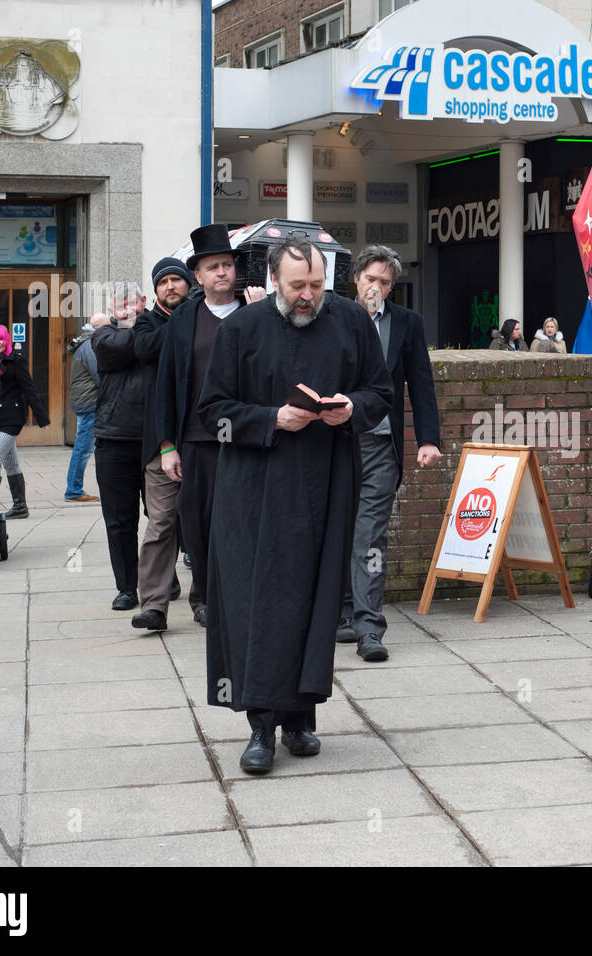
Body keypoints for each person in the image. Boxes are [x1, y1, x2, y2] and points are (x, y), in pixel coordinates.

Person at [198, 238, 391, 775]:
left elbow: (380, 392)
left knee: (315, 598)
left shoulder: (351, 321)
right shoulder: (241, 328)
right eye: (296, 286)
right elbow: (211, 413)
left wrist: (350, 408)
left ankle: (301, 716)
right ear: (272, 280)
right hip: (255, 488)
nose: (307, 297)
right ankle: (260, 722)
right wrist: (270, 420)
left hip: (327, 480)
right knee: (259, 601)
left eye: (316, 286)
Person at [153, 228, 266, 632]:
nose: (222, 272)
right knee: (195, 519)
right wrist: (168, 445)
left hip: (245, 437)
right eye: (212, 267)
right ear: (197, 277)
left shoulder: (257, 312)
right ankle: (202, 595)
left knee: (240, 520)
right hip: (197, 437)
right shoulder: (184, 318)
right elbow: (166, 381)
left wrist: (266, 315)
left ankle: (237, 595)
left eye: (227, 265)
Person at [337, 245, 441, 662]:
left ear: (392, 287)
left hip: (381, 444)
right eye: (370, 279)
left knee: (370, 535)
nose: (376, 287)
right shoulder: (334, 317)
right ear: (357, 279)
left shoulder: (407, 324)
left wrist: (428, 439)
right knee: (338, 530)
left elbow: (421, 382)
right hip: (337, 442)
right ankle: (341, 614)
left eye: (385, 282)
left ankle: (369, 627)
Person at [128, 257, 199, 633]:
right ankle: (154, 605)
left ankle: (203, 599)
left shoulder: (205, 316)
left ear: (189, 283)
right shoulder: (147, 323)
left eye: (177, 280)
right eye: (164, 282)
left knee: (203, 524)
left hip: (203, 438)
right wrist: (185, 320)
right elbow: (145, 349)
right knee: (160, 524)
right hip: (160, 443)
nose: (171, 286)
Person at [92, 285, 154, 612]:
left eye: (134, 302)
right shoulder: (104, 337)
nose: (128, 308)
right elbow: (119, 349)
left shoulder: (156, 328)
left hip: (155, 439)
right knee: (119, 521)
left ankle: (161, 576)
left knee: (161, 517)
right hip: (113, 439)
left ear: (145, 302)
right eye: (121, 304)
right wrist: (148, 327)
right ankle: (127, 587)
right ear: (112, 310)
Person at [0, 324, 50, 520]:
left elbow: (29, 389)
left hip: (12, 419)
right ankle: (20, 507)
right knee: (11, 463)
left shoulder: (16, 361)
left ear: (6, 342)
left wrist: (41, 417)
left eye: (1, 339)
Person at [64, 313, 109, 502]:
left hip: (86, 402)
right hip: (90, 403)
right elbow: (100, 375)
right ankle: (73, 490)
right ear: (98, 328)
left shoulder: (86, 343)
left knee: (83, 447)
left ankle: (74, 489)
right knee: (83, 448)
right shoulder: (90, 346)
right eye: (108, 327)